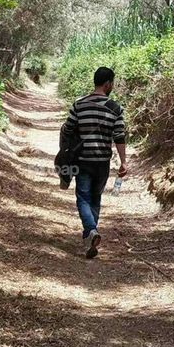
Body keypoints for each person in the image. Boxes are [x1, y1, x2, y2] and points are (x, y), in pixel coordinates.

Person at [63, 66, 128, 258]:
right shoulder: (115, 108)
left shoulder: (79, 104)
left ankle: (91, 230)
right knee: (95, 197)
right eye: (112, 83)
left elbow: (67, 129)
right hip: (102, 162)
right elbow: (119, 136)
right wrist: (123, 162)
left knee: (83, 197)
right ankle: (90, 235)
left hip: (83, 160)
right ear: (107, 83)